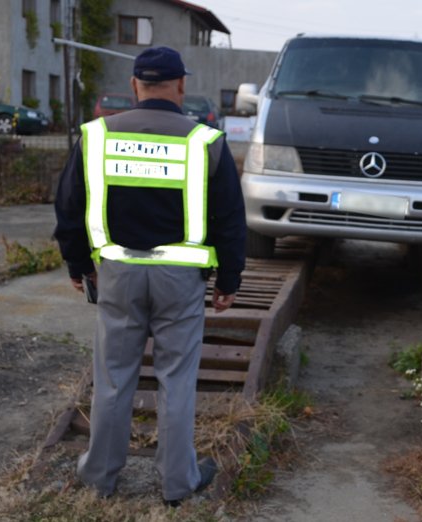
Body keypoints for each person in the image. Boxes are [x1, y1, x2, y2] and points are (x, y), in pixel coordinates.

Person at [53, 45, 246, 506]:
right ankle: (178, 482)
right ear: (181, 85)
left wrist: (78, 264)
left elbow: (69, 208)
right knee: (176, 378)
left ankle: (100, 476)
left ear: (134, 85)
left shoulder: (96, 137)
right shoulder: (206, 141)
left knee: (115, 377)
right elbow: (230, 220)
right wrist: (229, 280)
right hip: (181, 280)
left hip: (116, 273)